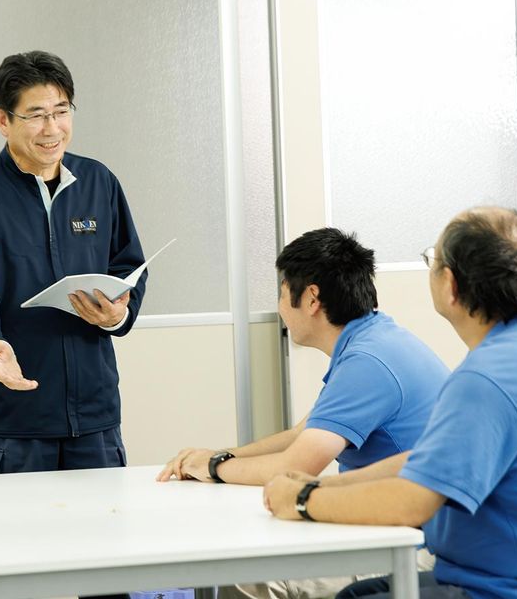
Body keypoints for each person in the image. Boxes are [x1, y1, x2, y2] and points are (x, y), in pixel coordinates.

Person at [157, 228, 449, 599]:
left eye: (281, 293)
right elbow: (303, 432)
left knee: (250, 574)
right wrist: (221, 456)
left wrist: (214, 467)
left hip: (419, 544)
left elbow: (295, 466)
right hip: (394, 522)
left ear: (311, 298)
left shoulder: (368, 361)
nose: (280, 307)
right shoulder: (375, 338)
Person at [266, 207, 517, 599]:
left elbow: (411, 503)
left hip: (496, 587)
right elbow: (426, 460)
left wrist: (303, 500)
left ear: (450, 285)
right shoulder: (513, 354)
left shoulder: (483, 380)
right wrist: (323, 485)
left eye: (432, 260)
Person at [0, 50, 146, 476]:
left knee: (104, 520)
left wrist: (118, 315)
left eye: (61, 111)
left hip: (95, 417)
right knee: (13, 523)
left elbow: (128, 267)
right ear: (3, 121)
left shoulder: (99, 182)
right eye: (36, 115)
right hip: (13, 419)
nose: (52, 128)